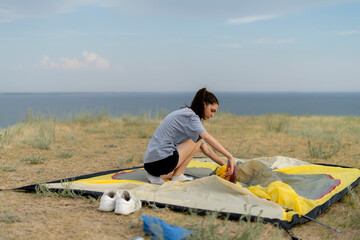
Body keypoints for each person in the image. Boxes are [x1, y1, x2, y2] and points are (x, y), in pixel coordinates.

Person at [143, 88, 234, 185]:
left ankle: (155, 175)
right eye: (212, 110)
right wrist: (229, 156)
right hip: (161, 162)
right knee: (199, 139)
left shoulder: (185, 113)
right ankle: (177, 176)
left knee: (198, 140)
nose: (212, 115)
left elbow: (205, 149)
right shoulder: (191, 117)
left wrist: (223, 165)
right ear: (204, 104)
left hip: (150, 164)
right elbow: (205, 138)